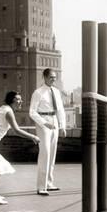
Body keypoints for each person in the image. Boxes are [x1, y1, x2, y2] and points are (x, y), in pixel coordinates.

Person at [0, 91, 40, 205]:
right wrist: (33, 137)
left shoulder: (3, 108)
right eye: (18, 99)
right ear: (12, 100)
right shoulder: (8, 111)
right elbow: (17, 130)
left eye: (21, 99)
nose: (21, 101)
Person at [29, 68, 67, 196]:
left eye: (55, 77)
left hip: (54, 121)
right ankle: (41, 186)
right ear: (44, 77)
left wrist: (62, 126)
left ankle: (49, 183)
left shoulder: (56, 91)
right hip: (43, 122)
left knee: (52, 154)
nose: (53, 79)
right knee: (45, 153)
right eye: (51, 77)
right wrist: (44, 123)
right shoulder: (38, 93)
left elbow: (60, 109)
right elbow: (32, 112)